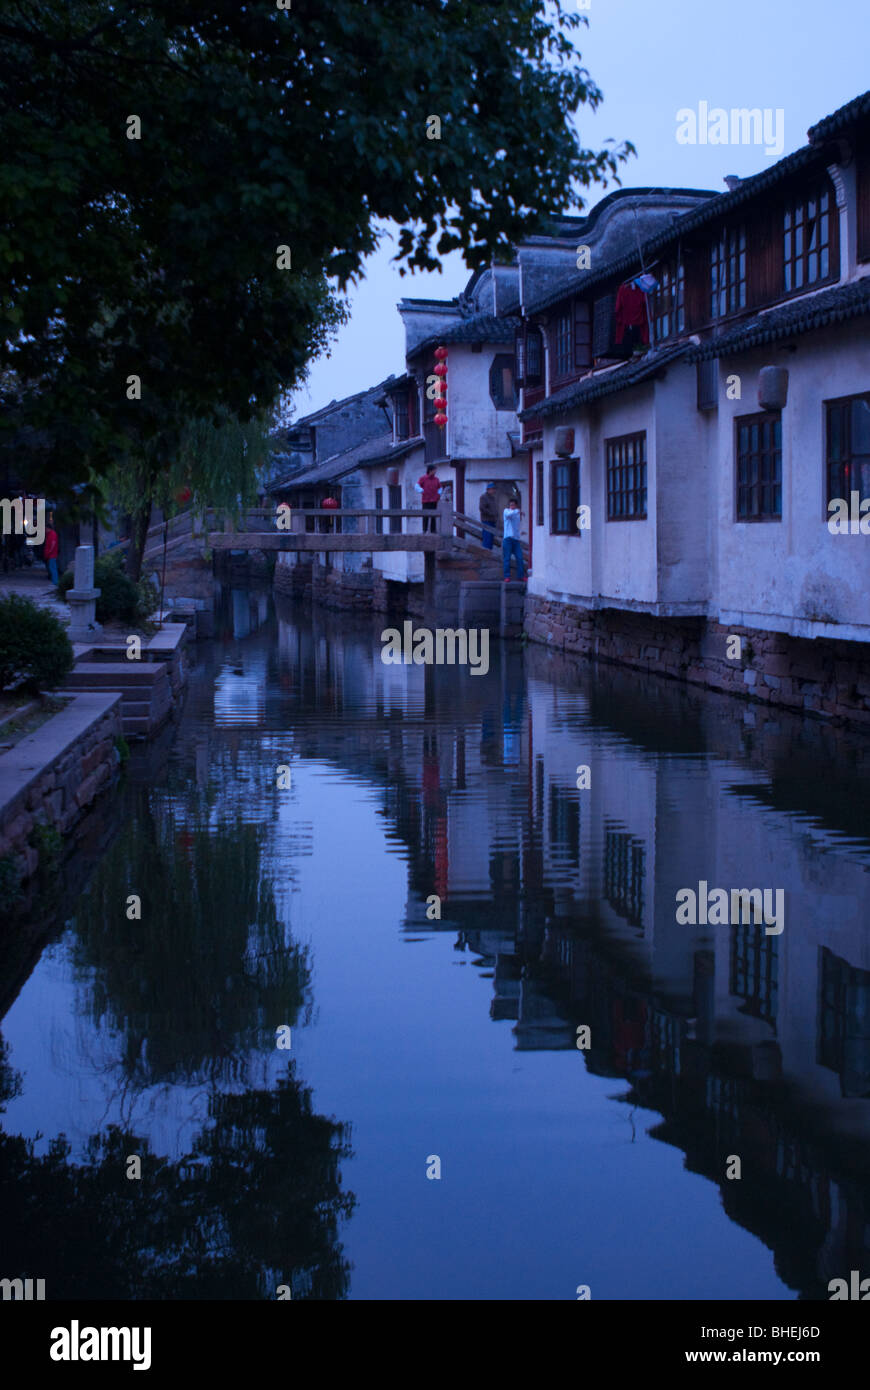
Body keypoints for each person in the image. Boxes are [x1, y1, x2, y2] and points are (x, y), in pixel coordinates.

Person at [502, 497, 525, 582]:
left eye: (513, 505)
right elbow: (509, 515)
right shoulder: (506, 511)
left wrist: (520, 534)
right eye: (510, 505)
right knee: (507, 558)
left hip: (515, 539)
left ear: (516, 505)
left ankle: (520, 576)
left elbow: (517, 527)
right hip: (508, 538)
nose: (511, 506)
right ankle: (507, 576)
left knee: (520, 557)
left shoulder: (517, 514)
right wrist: (518, 511)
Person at [416, 465, 442, 532]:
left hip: (434, 500)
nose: (435, 471)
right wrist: (422, 491)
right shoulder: (423, 478)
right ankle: (424, 530)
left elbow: (440, 488)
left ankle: (433, 530)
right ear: (430, 470)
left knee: (433, 516)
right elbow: (416, 486)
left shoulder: (436, 479)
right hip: (426, 500)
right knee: (425, 516)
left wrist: (438, 494)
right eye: (434, 470)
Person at [479, 482, 497, 550]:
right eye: (492, 489)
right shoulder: (483, 497)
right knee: (487, 538)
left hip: (492, 521)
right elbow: (482, 508)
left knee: (491, 539)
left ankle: (490, 553)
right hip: (486, 521)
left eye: (494, 489)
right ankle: (486, 553)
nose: (494, 491)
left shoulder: (492, 498)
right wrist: (491, 513)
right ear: (488, 489)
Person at [43, 514, 59, 585]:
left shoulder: (52, 534)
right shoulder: (49, 534)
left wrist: (50, 551)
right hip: (50, 554)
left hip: (52, 554)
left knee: (53, 568)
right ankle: (54, 581)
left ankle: (55, 582)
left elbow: (53, 543)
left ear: (48, 528)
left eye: (45, 528)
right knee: (51, 567)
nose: (45, 530)